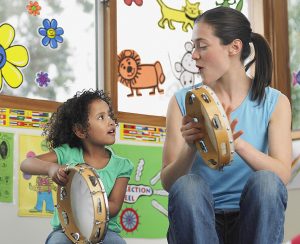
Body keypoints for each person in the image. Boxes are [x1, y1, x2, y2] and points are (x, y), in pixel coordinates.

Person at [161, 6, 292, 244]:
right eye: (193, 47)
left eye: (202, 46)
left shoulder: (275, 102)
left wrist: (235, 143)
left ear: (234, 47)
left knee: (266, 183)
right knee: (188, 186)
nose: (194, 55)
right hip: (200, 222)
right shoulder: (182, 101)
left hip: (252, 223)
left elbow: (282, 175)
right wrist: (191, 146)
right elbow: (169, 183)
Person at [20, 89, 133, 244]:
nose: (111, 121)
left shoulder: (122, 165)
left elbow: (114, 206)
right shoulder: (67, 154)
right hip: (66, 230)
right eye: (101, 117)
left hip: (106, 233)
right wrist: (50, 168)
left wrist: (86, 205)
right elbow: (26, 164)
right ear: (80, 130)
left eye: (110, 116)